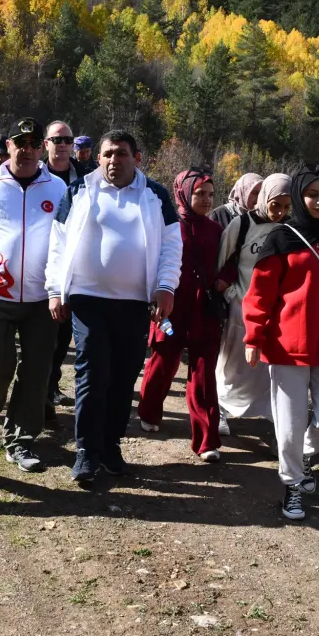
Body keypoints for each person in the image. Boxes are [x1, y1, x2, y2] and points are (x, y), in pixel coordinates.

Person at [44, 130, 182, 486]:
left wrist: (166, 286)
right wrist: (55, 291)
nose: (113, 161)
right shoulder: (79, 190)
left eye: (121, 154)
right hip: (87, 299)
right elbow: (58, 243)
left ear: (137, 158)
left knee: (124, 375)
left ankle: (110, 445)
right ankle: (86, 451)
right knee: (92, 373)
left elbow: (171, 245)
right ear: (98, 158)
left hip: (135, 303)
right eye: (107, 154)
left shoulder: (155, 195)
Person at [243, 166, 319, 521]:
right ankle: (292, 482)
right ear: (299, 195)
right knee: (289, 424)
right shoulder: (280, 238)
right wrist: (253, 336)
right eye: (312, 194)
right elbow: (260, 293)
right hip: (287, 346)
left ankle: (304, 455)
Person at [0, 118, 67, 472]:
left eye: (33, 143)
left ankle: (21, 440)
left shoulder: (58, 188)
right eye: (19, 143)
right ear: (7, 145)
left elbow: (67, 242)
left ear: (42, 148)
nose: (26, 150)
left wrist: (61, 289)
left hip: (42, 298)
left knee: (37, 372)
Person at [137, 169, 225, 462]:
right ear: (184, 193)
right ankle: (149, 412)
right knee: (163, 361)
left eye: (210, 195)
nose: (207, 200)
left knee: (203, 373)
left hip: (204, 312)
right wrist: (153, 299)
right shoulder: (167, 225)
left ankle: (206, 440)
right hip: (171, 310)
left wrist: (224, 279)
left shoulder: (216, 230)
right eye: (200, 194)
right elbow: (151, 262)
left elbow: (229, 261)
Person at [214, 173, 291, 434]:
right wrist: (230, 293)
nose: (280, 212)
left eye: (286, 207)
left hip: (275, 312)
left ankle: (271, 417)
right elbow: (221, 261)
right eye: (275, 205)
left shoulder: (289, 229)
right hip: (241, 307)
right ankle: (220, 408)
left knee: (266, 370)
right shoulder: (242, 225)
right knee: (231, 365)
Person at [42, 121, 85, 415]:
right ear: (46, 143)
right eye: (56, 139)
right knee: (39, 336)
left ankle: (50, 387)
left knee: (61, 335)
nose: (62, 144)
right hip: (35, 264)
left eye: (67, 139)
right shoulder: (34, 173)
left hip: (71, 268)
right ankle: (37, 391)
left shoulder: (86, 177)